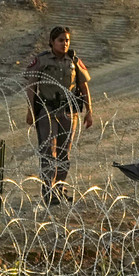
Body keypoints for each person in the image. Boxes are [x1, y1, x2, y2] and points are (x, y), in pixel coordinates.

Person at [23, 26, 94, 205]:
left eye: (67, 40)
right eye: (61, 40)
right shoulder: (41, 61)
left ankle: (60, 189)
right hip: (46, 111)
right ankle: (48, 191)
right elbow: (31, 87)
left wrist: (89, 110)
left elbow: (83, 86)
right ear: (52, 42)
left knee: (64, 154)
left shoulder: (74, 61)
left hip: (68, 112)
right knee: (48, 152)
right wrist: (31, 111)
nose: (64, 43)